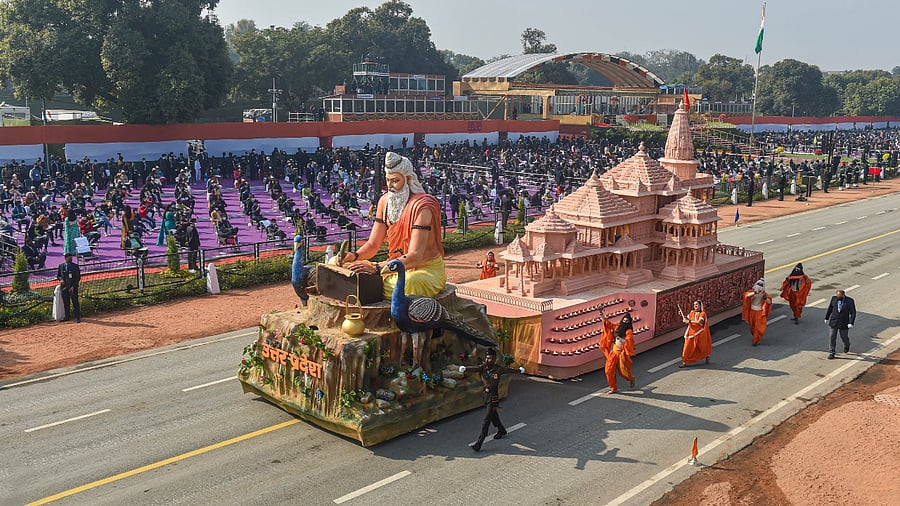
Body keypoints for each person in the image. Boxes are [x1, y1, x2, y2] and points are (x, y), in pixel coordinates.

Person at [340, 152, 445, 298]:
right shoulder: (384, 201)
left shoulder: (422, 206)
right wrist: (354, 256)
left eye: (395, 180)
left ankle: (365, 286)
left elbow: (414, 256)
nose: (390, 186)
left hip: (423, 270)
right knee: (337, 264)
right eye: (388, 180)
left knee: (410, 283)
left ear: (408, 179)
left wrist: (376, 268)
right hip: (391, 267)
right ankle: (367, 284)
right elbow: (373, 244)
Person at [458, 347, 524, 452]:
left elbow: (509, 370)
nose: (488, 360)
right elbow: (474, 368)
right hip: (485, 395)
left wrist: (519, 371)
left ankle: (479, 443)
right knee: (493, 415)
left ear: (494, 359)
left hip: (493, 396)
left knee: (487, 420)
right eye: (487, 358)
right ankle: (501, 430)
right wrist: (465, 369)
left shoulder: (498, 369)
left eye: (491, 358)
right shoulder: (483, 368)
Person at [599, 311, 636, 393]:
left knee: (623, 372)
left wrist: (623, 340)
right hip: (614, 352)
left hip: (622, 355)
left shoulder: (629, 331)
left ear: (629, 323)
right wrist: (602, 314)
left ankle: (631, 378)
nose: (625, 322)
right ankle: (613, 388)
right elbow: (608, 324)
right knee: (609, 370)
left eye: (627, 321)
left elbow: (629, 340)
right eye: (624, 320)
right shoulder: (617, 327)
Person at [824, 289, 856, 360]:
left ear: (843, 295)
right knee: (832, 337)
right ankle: (832, 352)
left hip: (844, 323)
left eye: (839, 296)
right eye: (837, 295)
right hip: (834, 322)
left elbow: (853, 312)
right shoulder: (834, 299)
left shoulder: (849, 301)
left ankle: (847, 345)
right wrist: (826, 317)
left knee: (844, 337)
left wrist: (851, 322)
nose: (838, 297)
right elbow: (830, 308)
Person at [680, 300, 712, 367]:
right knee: (687, 347)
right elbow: (687, 318)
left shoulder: (702, 314)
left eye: (697, 304)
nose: (695, 306)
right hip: (691, 333)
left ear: (700, 306)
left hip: (700, 333)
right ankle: (684, 362)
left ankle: (706, 356)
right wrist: (682, 315)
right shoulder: (692, 312)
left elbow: (699, 322)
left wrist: (689, 321)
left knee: (702, 347)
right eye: (694, 305)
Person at [742, 278, 773, 346]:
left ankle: (755, 341)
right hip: (752, 311)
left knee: (757, 327)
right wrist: (755, 293)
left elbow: (769, 302)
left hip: (759, 312)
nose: (759, 286)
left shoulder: (764, 294)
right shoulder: (752, 292)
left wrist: (765, 298)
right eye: (758, 284)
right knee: (752, 326)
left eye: (761, 285)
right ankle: (756, 337)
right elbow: (746, 296)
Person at [56, 252, 81, 322]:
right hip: (64, 287)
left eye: (71, 258)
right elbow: (58, 275)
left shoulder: (75, 266)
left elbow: (78, 277)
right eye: (69, 258)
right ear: (66, 258)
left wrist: (73, 286)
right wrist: (61, 280)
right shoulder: (61, 266)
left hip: (73, 287)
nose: (71, 259)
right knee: (66, 303)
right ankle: (67, 317)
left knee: (75, 302)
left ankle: (77, 317)